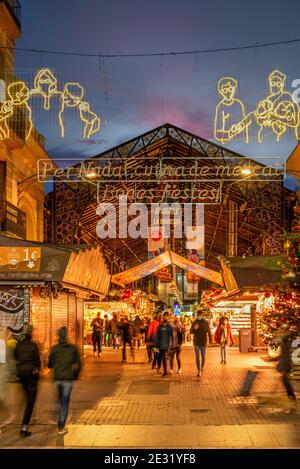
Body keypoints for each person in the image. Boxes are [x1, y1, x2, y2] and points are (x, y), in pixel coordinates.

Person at [48, 326, 82, 435]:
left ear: (59, 336)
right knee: (65, 401)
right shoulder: (73, 348)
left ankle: (56, 416)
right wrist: (75, 375)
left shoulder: (54, 348)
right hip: (68, 378)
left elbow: (50, 364)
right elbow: (79, 364)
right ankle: (61, 426)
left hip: (57, 378)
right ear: (66, 335)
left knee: (59, 398)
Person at [14, 324, 41, 437]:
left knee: (26, 395)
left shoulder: (19, 345)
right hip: (31, 376)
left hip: (21, 374)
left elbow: (15, 356)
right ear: (30, 334)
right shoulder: (33, 346)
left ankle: (28, 415)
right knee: (30, 401)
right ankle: (24, 427)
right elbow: (37, 361)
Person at [276, 324, 296, 401]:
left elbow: (287, 355)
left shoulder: (288, 341)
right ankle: (292, 402)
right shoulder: (288, 341)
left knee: (287, 383)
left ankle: (292, 402)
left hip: (290, 366)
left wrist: (282, 367)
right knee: (286, 383)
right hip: (289, 366)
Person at [190, 310, 212, 377]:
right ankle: (199, 370)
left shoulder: (205, 323)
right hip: (196, 342)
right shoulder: (194, 322)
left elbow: (209, 331)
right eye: (198, 315)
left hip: (203, 342)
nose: (199, 316)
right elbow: (191, 331)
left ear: (202, 315)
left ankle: (202, 367)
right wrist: (194, 328)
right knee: (197, 357)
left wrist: (211, 340)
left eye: (200, 315)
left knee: (203, 357)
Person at [156, 312, 173, 377]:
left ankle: (166, 371)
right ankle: (166, 371)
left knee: (165, 358)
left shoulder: (170, 327)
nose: (165, 317)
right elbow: (157, 336)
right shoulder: (160, 326)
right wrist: (157, 345)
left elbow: (172, 336)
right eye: (164, 316)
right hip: (162, 345)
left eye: (166, 316)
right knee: (164, 359)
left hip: (167, 345)